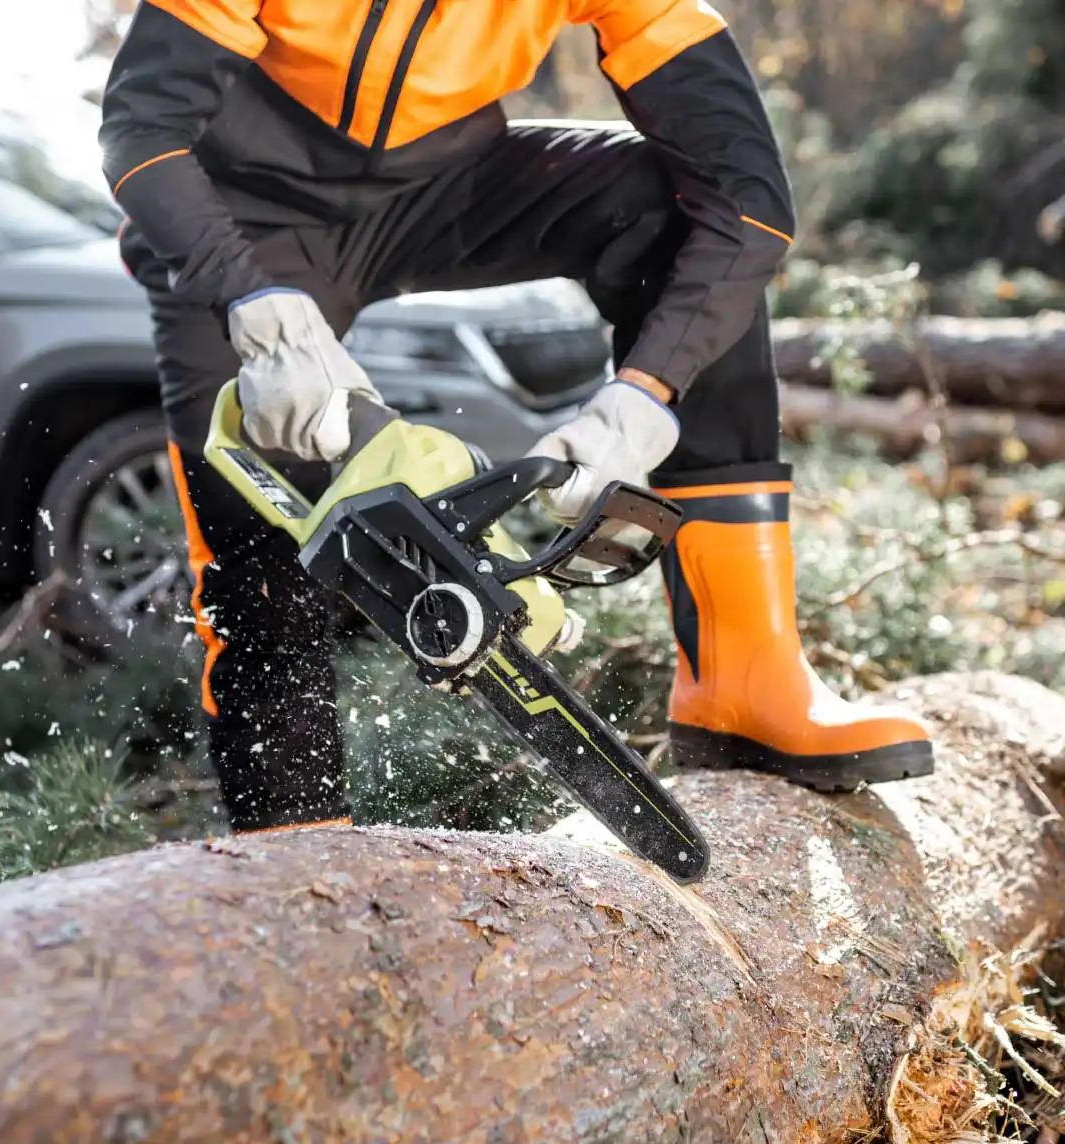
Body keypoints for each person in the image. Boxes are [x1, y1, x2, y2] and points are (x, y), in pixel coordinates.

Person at [99, 0, 935, 833]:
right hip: (244, 211)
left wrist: (647, 393)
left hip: (449, 185)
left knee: (678, 216)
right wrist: (246, 293)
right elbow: (141, 126)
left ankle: (743, 680)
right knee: (257, 525)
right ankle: (292, 840)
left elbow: (747, 200)